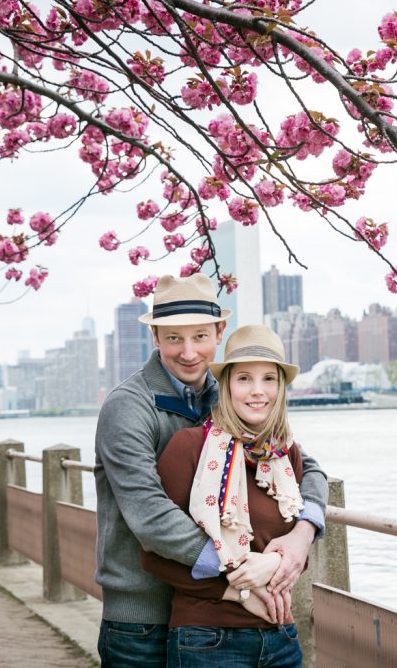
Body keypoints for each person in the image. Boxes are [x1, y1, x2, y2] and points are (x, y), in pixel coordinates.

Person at [94, 274, 328, 667]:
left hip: (219, 609)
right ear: (155, 338)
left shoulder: (226, 397)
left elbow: (308, 467)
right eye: (173, 338)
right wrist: (244, 581)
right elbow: (150, 515)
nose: (188, 352)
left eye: (200, 336)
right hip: (145, 614)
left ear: (219, 332)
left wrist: (301, 537)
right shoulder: (128, 407)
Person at [141, 324, 309, 667]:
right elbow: (154, 556)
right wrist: (240, 590)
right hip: (208, 638)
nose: (257, 391)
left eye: (269, 379)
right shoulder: (190, 448)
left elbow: (296, 545)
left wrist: (275, 561)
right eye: (244, 378)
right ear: (227, 385)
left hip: (281, 635)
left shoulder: (286, 455)